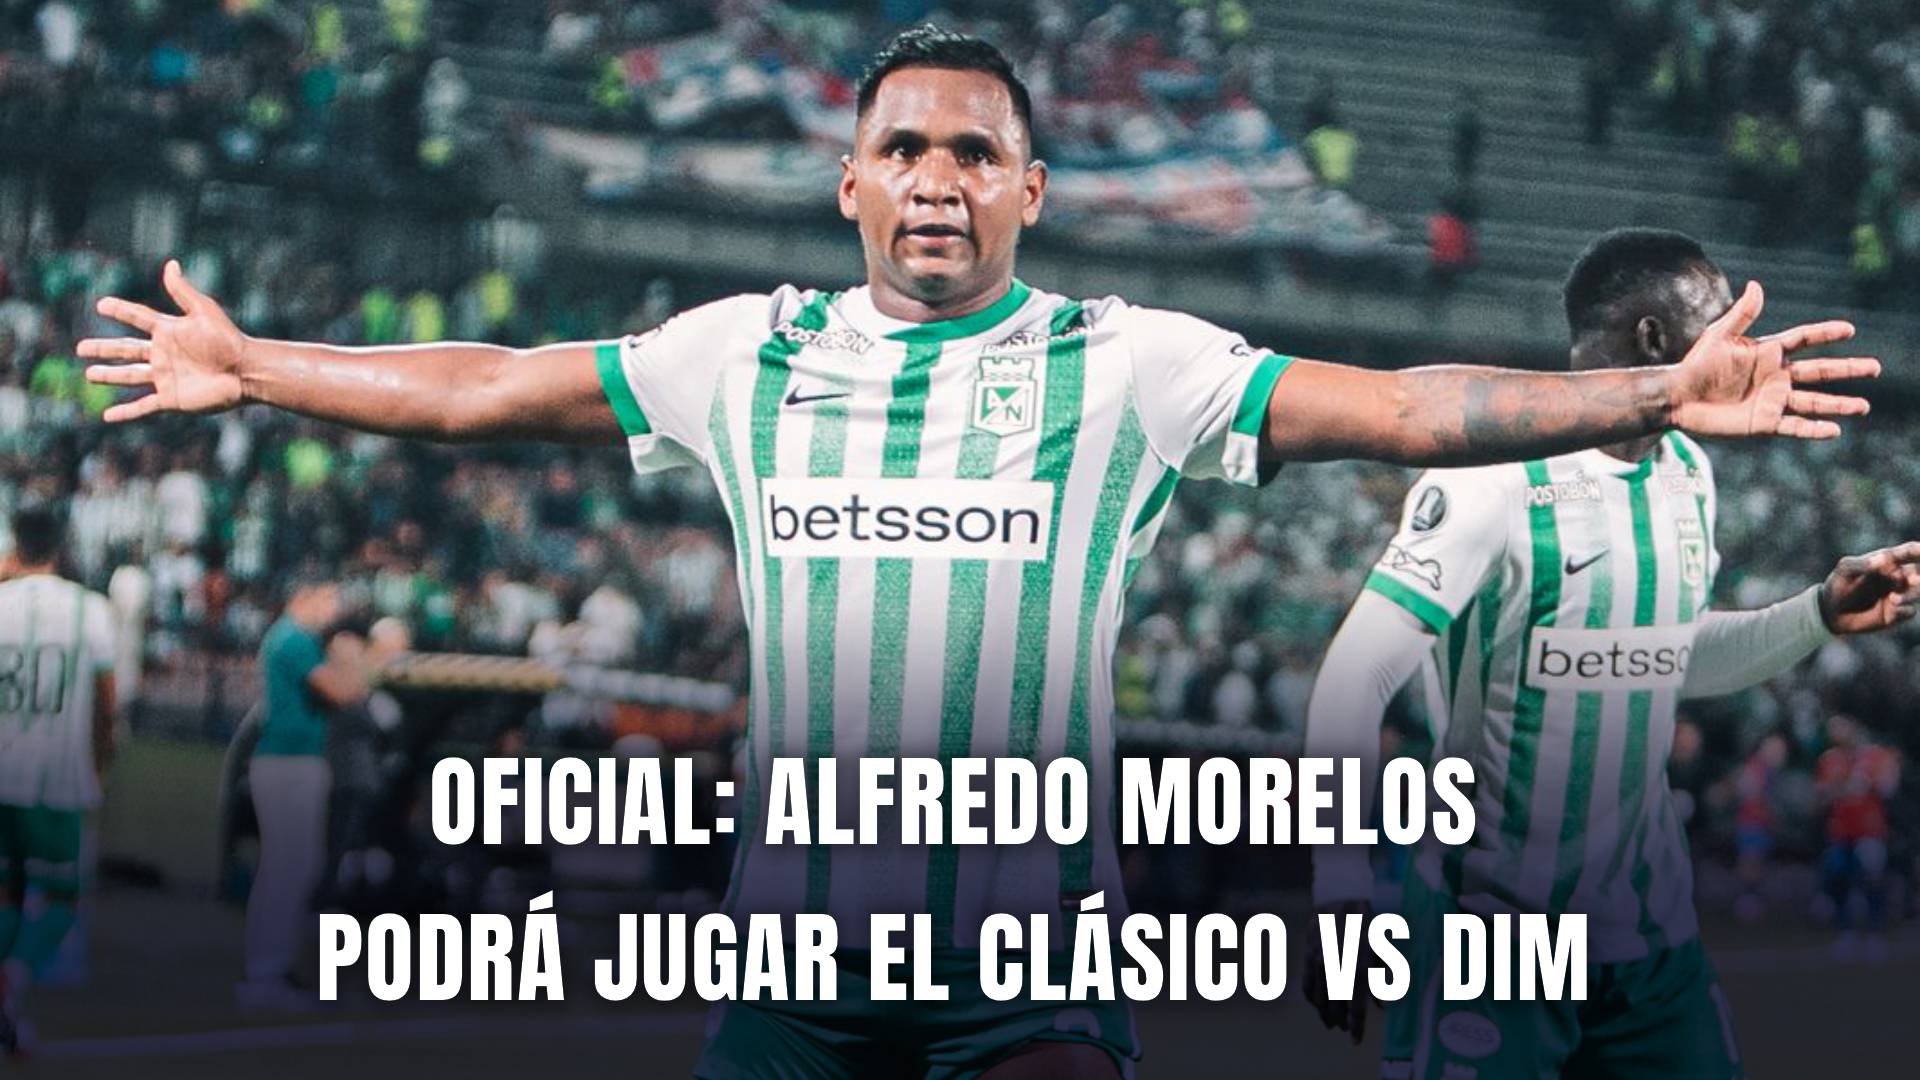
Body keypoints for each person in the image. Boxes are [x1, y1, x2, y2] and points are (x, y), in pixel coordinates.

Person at [79, 28, 1877, 1080]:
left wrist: (1654, 394)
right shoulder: (741, 355)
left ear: (1031, 191)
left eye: (973, 150)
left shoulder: (1129, 364)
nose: (935, 174)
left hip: (1035, 980)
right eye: (902, 148)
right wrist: (254, 366)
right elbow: (484, 386)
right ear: (849, 184)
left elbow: (1406, 407)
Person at [1300, 228, 1920, 1078]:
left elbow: (1667, 656)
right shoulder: (1493, 477)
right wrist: (1341, 891)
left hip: (1651, 941)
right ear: (1653, 339)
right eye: (1720, 323)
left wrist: (1813, 615)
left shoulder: (1687, 472)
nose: (1740, 347)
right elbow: (1351, 680)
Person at [0, 505, 117, 1061]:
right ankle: (14, 979)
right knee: (63, 897)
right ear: (61, 547)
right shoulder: (89, 609)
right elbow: (106, 699)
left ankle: (8, 1006)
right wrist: (102, 760)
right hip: (55, 776)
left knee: (6, 891)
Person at [238, 575, 367, 1009]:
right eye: (329, 598)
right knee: (287, 868)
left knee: (295, 866)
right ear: (304, 596)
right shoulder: (294, 639)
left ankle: (272, 966)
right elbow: (344, 691)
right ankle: (265, 971)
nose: (335, 609)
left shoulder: (296, 639)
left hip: (293, 762)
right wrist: (359, 657)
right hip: (288, 763)